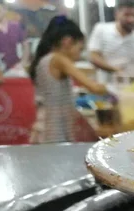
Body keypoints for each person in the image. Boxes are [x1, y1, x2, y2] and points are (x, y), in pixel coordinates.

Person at [29, 16, 107, 144]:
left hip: (45, 127)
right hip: (54, 130)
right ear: (67, 41)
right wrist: (116, 88)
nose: (79, 54)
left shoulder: (44, 60)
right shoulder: (58, 59)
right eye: (80, 48)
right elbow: (95, 88)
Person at [87, 0, 134, 83]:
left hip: (132, 90)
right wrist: (115, 70)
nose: (131, 19)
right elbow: (93, 57)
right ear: (117, 14)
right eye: (127, 15)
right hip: (105, 88)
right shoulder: (101, 30)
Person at [0, 0, 28, 83]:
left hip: (15, 67)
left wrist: (23, 62)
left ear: (5, 9)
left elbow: (25, 45)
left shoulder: (16, 26)